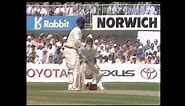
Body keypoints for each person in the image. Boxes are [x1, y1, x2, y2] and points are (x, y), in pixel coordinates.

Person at [63, 17, 86, 91]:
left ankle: (71, 85)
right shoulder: (77, 30)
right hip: (71, 49)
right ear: (78, 23)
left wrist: (79, 51)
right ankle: (73, 86)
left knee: (71, 68)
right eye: (82, 23)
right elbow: (76, 42)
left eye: (84, 23)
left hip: (70, 49)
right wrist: (83, 47)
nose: (83, 25)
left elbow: (76, 43)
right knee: (75, 68)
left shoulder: (76, 30)